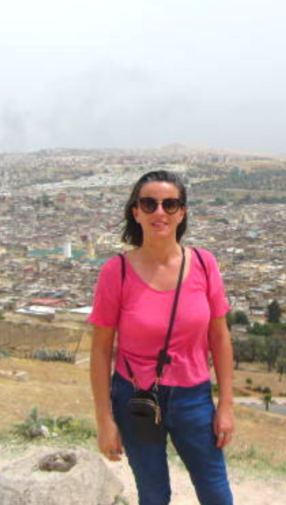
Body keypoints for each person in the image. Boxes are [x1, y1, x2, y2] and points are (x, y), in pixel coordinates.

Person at [88, 170, 234, 505]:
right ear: (135, 211)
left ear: (182, 212)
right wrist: (104, 420)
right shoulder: (117, 272)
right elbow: (100, 351)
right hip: (135, 397)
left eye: (170, 204)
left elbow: (220, 339)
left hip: (193, 398)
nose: (160, 212)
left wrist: (226, 405)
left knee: (215, 489)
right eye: (149, 204)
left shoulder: (204, 264)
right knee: (153, 494)